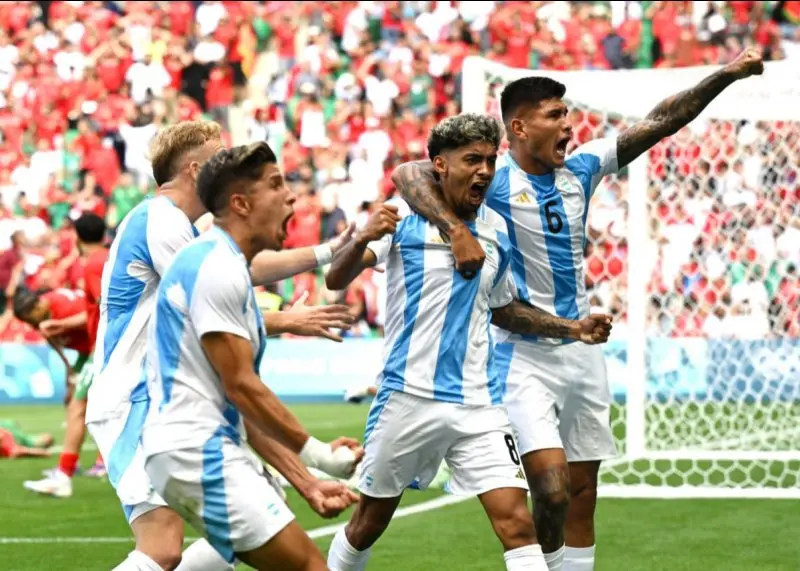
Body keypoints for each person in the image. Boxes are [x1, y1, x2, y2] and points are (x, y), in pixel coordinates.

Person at [391, 49, 765, 571]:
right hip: (520, 355)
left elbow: (663, 120)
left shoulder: (582, 169)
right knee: (550, 487)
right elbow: (409, 172)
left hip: (583, 350)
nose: (569, 124)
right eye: (555, 115)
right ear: (519, 128)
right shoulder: (493, 180)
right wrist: (455, 229)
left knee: (584, 490)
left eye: (567, 113)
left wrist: (725, 73)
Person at [324, 113, 612, 571]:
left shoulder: (496, 228)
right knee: (368, 524)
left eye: (490, 161)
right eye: (472, 160)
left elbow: (505, 308)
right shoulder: (402, 217)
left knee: (517, 524)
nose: (484, 171)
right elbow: (335, 277)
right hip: (407, 396)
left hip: (478, 404)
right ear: (440, 164)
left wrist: (571, 328)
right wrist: (361, 237)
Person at [86, 120, 361, 571]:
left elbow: (240, 270)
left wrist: (330, 251)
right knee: (162, 546)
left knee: (262, 507)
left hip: (158, 397)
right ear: (196, 170)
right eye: (218, 158)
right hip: (133, 398)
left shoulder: (184, 229)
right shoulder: (161, 220)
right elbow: (215, 296)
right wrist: (289, 318)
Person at [22, 213, 109, 497]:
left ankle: (66, 473)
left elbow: (104, 307)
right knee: (85, 406)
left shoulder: (92, 265)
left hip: (102, 346)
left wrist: (62, 325)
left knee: (79, 408)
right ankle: (73, 469)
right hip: (100, 347)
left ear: (78, 238)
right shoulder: (107, 258)